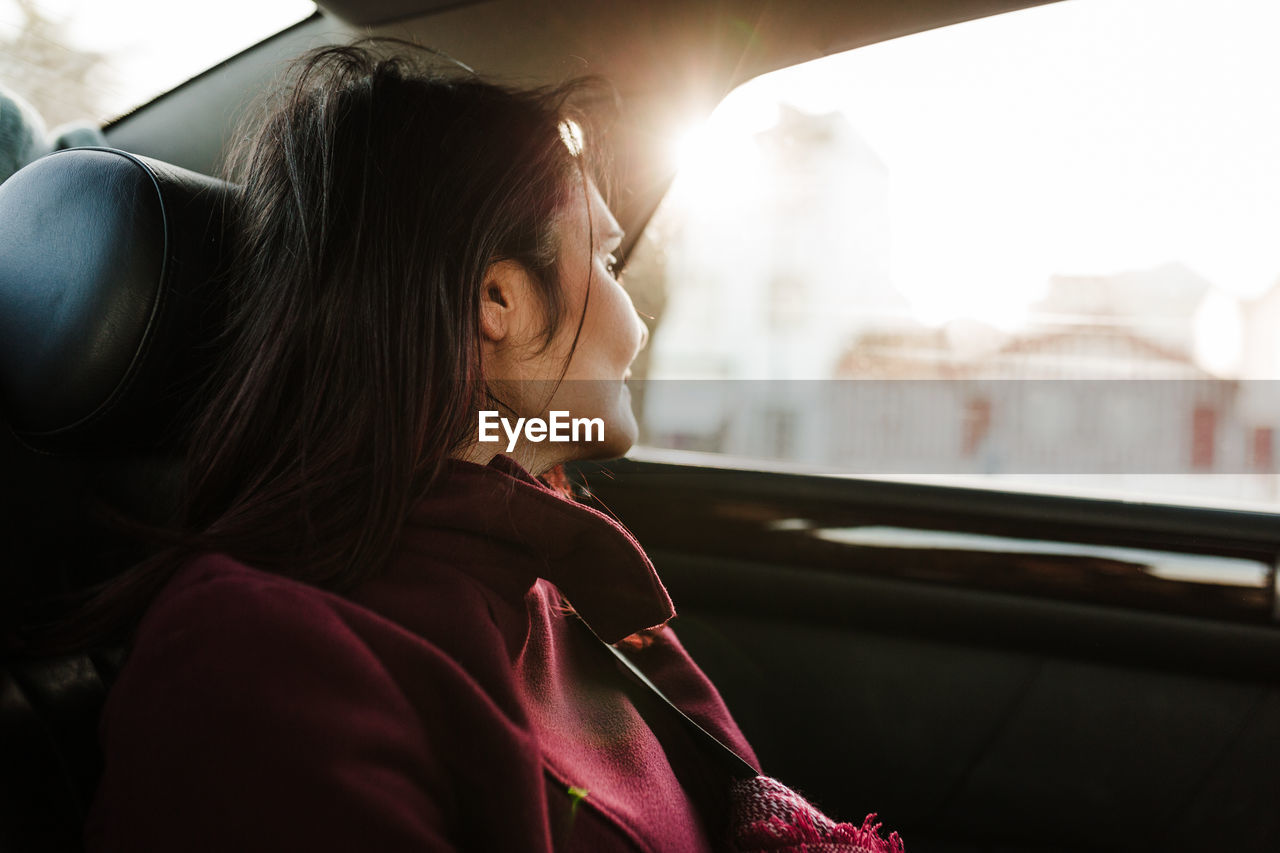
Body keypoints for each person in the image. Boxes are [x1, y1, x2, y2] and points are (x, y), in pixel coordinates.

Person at [82, 40, 758, 852]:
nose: (637, 320)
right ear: (497, 297)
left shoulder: (558, 582)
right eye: (609, 259)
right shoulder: (260, 660)